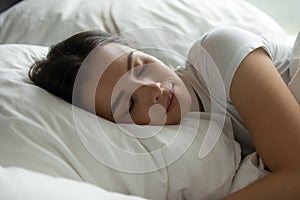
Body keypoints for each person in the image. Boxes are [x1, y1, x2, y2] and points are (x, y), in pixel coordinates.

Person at [29, 27, 300, 199]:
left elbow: (296, 173)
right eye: (130, 103)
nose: (153, 89)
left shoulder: (217, 51)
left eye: (140, 66)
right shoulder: (192, 151)